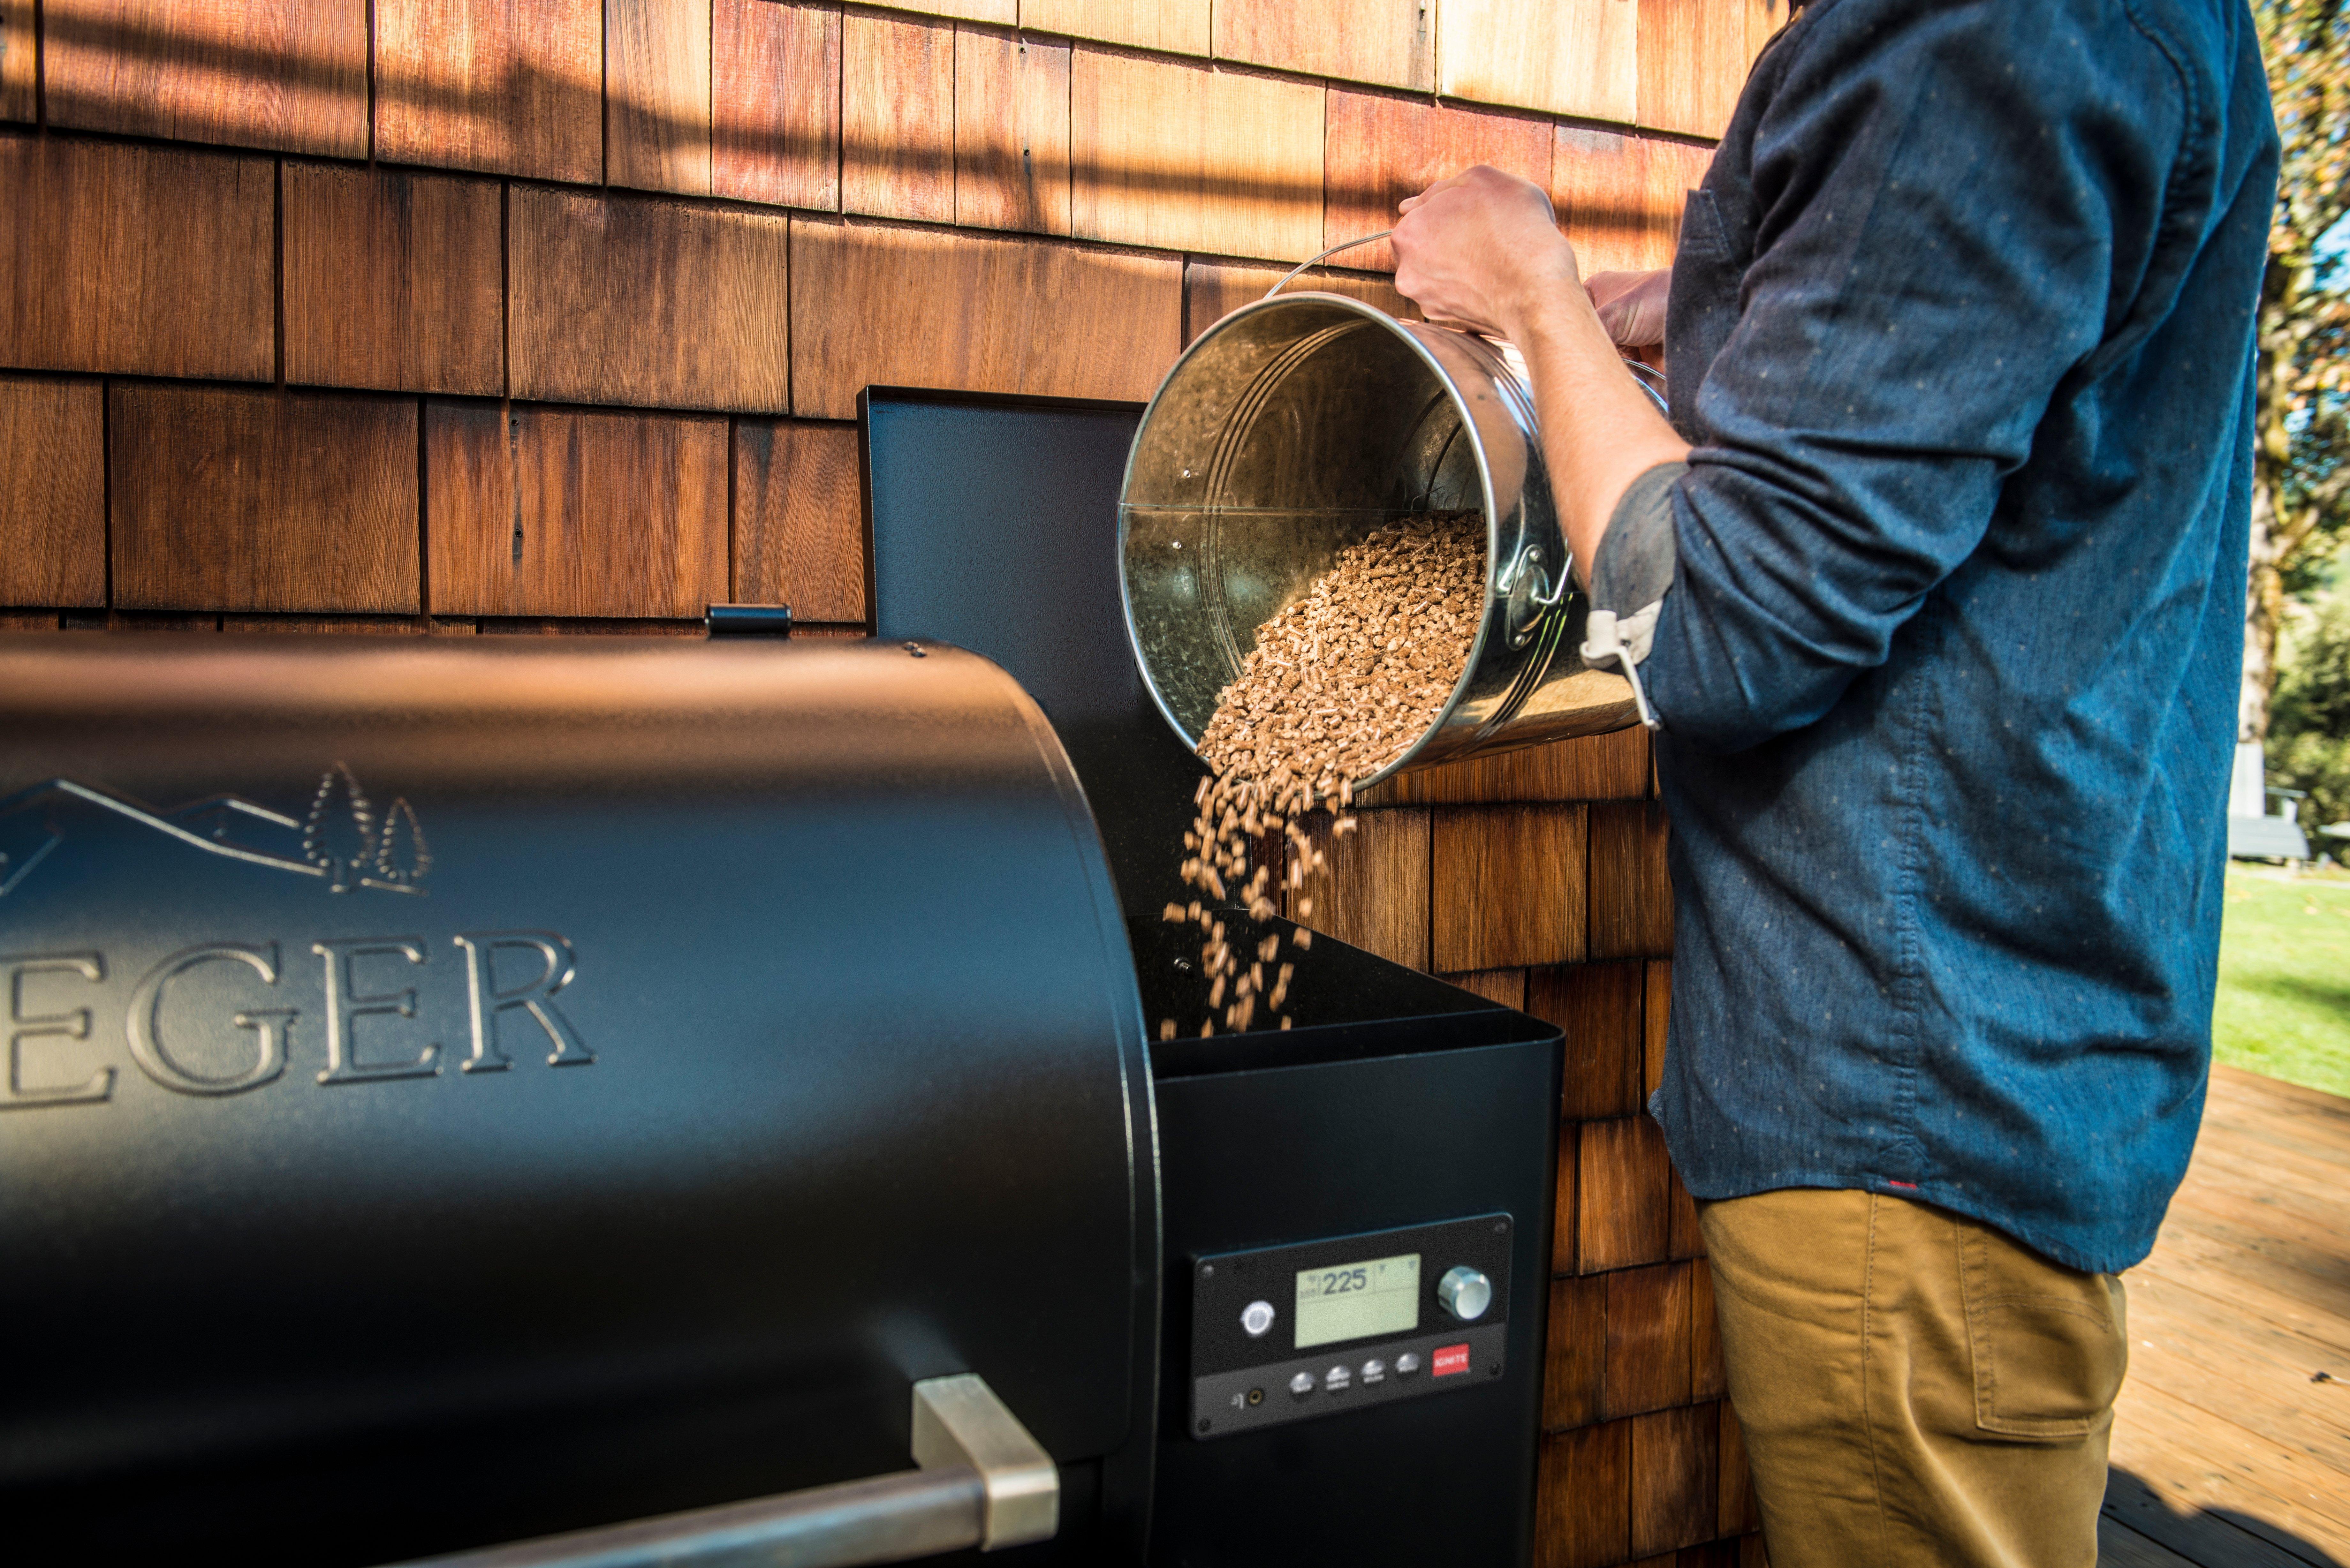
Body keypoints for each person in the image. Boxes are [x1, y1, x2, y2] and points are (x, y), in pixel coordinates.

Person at [1387, 2, 2280, 1564]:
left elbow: (1722, 631)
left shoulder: (1980, 24)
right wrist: (1732, 324)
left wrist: (1535, 303)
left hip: (1911, 1089)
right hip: (1983, 1055)